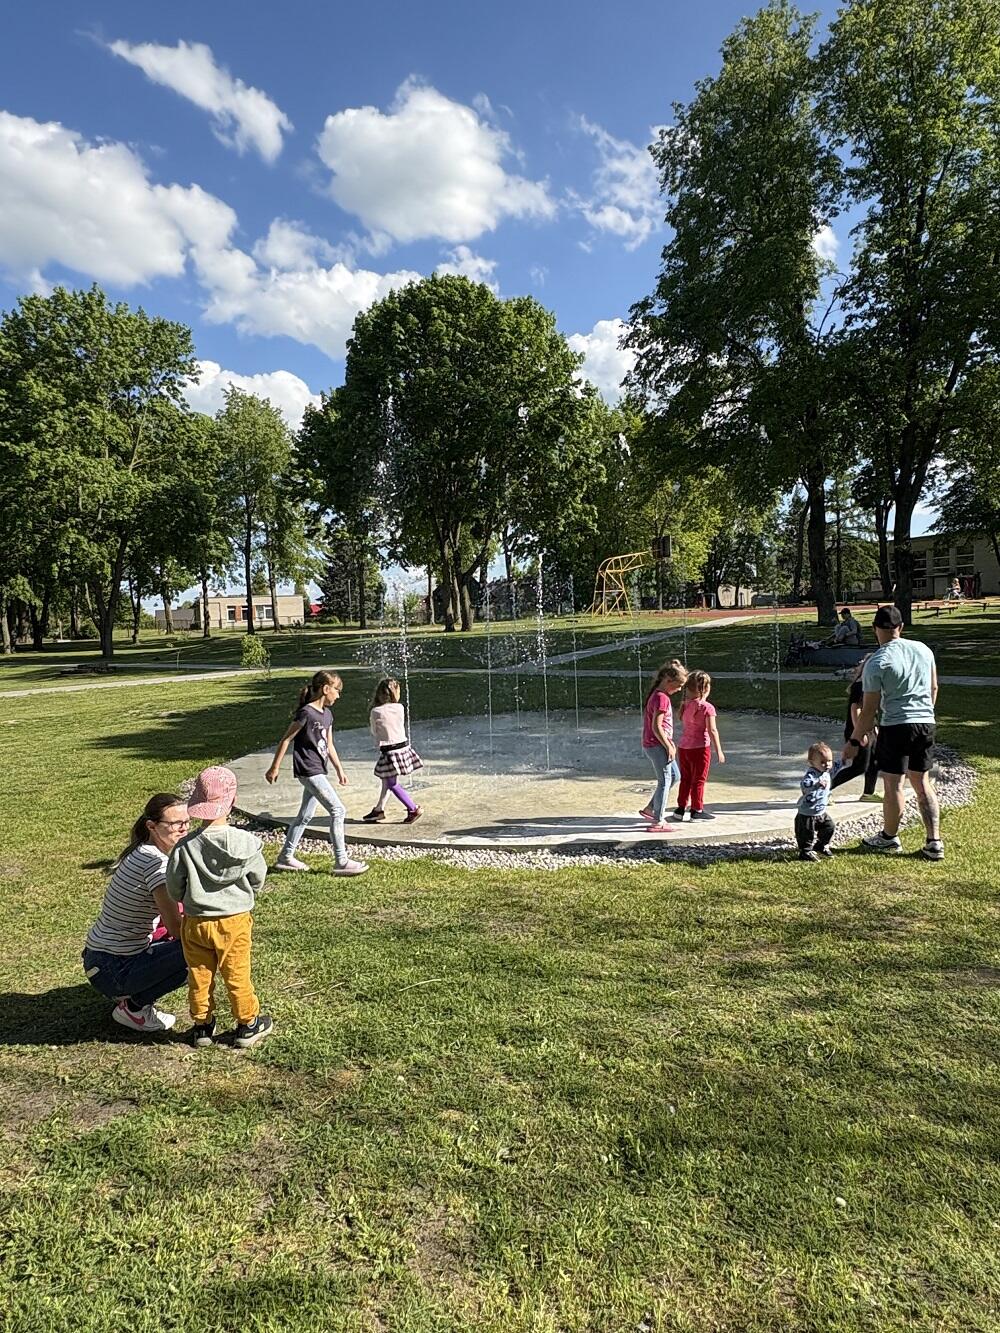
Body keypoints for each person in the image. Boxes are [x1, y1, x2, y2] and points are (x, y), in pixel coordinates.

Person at [166, 766, 273, 1049]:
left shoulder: (185, 846)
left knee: (199, 974)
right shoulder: (248, 843)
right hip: (234, 921)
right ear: (232, 801)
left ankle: (202, 1026)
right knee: (236, 972)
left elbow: (174, 887)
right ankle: (248, 1024)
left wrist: (190, 899)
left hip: (196, 922)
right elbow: (258, 879)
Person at [82, 794, 190, 1034]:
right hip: (113, 968)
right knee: (201, 950)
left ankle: (130, 996)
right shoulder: (157, 866)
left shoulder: (140, 851)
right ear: (151, 826)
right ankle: (134, 1008)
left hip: (100, 958)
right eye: (175, 824)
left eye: (187, 821)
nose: (184, 829)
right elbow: (176, 929)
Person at [842, 605, 943, 860]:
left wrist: (854, 740)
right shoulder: (924, 650)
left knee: (893, 784)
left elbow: (869, 710)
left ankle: (889, 837)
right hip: (925, 723)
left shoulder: (877, 662)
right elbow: (933, 688)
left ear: (874, 629)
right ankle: (934, 842)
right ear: (901, 627)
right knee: (922, 782)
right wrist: (924, 713)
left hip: (896, 726)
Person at [265, 670, 368, 876]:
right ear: (326, 689)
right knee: (338, 810)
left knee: (305, 815)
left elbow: (329, 745)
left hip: (318, 769)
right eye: (337, 690)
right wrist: (274, 767)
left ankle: (285, 857)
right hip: (308, 769)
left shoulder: (327, 715)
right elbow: (286, 739)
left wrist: (339, 769)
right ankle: (341, 861)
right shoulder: (306, 713)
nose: (339, 695)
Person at [363, 678, 423, 824]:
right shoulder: (399, 707)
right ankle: (379, 809)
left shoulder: (376, 711)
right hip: (403, 747)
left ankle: (413, 808)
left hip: (390, 751)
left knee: (392, 783)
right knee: (387, 780)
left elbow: (374, 731)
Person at [639, 659, 688, 831]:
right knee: (664, 781)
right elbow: (656, 726)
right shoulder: (661, 699)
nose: (680, 689)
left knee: (675, 776)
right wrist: (668, 745)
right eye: (679, 685)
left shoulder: (658, 695)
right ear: (668, 680)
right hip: (657, 745)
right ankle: (658, 821)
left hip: (656, 744)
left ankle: (650, 809)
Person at [673, 669, 725, 821]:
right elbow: (712, 730)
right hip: (700, 748)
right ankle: (697, 810)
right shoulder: (707, 707)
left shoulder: (685, 705)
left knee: (686, 779)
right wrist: (719, 750)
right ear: (706, 688)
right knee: (699, 780)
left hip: (683, 747)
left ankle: (680, 809)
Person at [830, 657, 880, 801]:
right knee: (859, 767)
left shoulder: (872, 684)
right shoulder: (860, 685)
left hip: (870, 730)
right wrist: (860, 733)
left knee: (875, 762)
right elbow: (855, 708)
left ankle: (868, 793)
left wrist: (875, 728)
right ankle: (825, 789)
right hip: (858, 731)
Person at [795, 742, 836, 861]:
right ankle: (805, 852)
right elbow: (804, 784)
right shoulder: (812, 774)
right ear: (811, 762)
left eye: (829, 761)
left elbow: (836, 767)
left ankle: (821, 845)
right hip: (807, 813)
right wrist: (816, 783)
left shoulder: (825, 772)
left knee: (829, 826)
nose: (827, 764)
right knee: (806, 833)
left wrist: (844, 760)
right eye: (823, 762)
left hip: (820, 811)